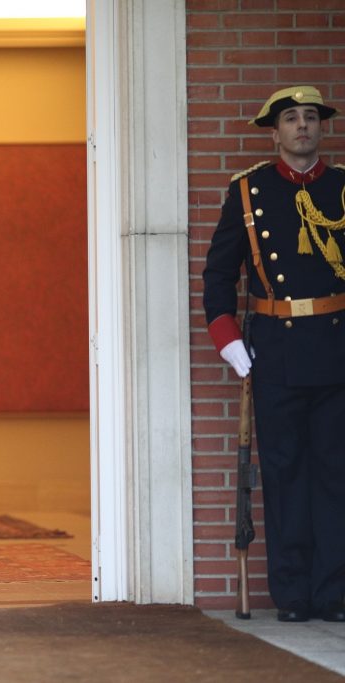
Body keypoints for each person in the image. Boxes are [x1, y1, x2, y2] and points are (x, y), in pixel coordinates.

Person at [203, 85, 345, 623]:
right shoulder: (248, 191)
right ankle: (293, 595)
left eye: (310, 117)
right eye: (291, 118)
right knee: (285, 475)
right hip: (277, 350)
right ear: (275, 132)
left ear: (321, 127)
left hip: (337, 346)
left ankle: (332, 593)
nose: (302, 126)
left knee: (336, 474)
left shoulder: (342, 188)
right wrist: (227, 337)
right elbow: (219, 272)